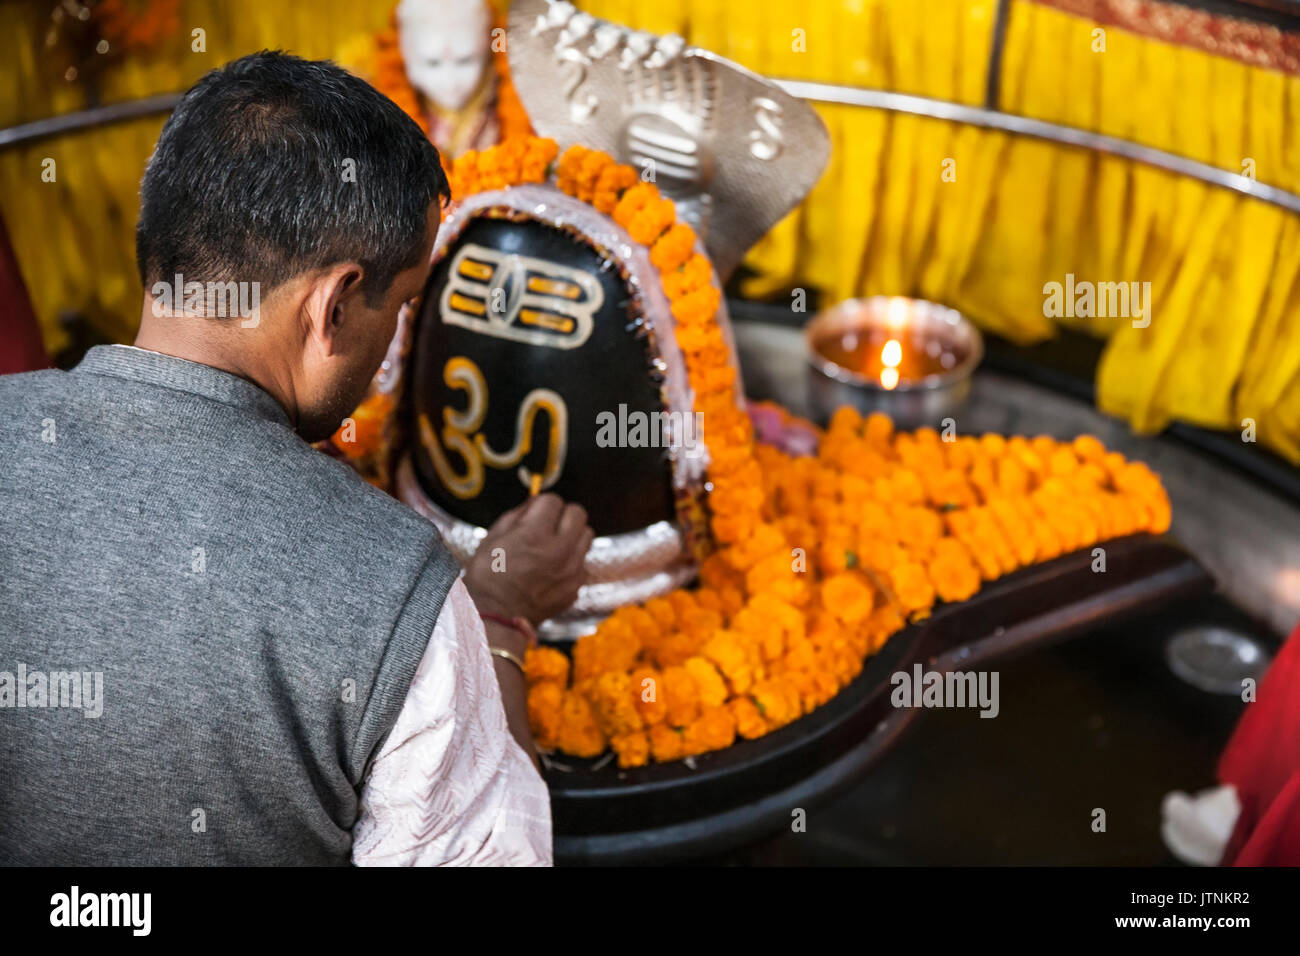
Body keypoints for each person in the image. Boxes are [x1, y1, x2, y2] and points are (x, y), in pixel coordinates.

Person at [0, 51, 592, 866]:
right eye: (404, 303)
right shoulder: (398, 599)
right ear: (337, 305)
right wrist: (496, 620)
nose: (392, 346)